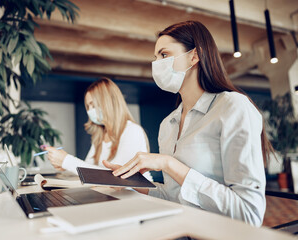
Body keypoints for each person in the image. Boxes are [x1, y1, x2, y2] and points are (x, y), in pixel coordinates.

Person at [103, 21, 273, 226]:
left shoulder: (233, 106)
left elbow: (249, 214)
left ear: (194, 55)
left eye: (164, 55)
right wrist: (133, 185)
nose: (157, 64)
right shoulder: (168, 124)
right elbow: (176, 198)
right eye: (155, 58)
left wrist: (169, 164)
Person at [44, 77, 152, 181]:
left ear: (109, 102)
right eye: (88, 107)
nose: (90, 111)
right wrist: (65, 165)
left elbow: (119, 178)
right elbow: (88, 170)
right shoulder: (101, 136)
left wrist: (66, 161)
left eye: (93, 105)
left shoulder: (132, 131)